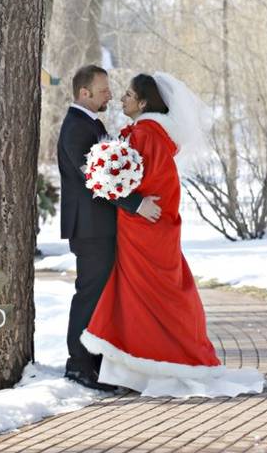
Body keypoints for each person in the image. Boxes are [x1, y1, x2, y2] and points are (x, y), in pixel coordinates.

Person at [80, 72, 267, 397]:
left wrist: (131, 200)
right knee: (135, 298)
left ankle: (160, 367)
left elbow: (154, 186)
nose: (121, 99)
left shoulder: (146, 134)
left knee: (146, 297)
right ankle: (138, 370)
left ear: (142, 102)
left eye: (127, 94)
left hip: (144, 231)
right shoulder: (149, 133)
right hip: (144, 229)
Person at [57, 65, 162, 391]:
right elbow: (96, 178)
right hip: (89, 229)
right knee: (90, 295)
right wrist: (137, 204)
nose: (111, 95)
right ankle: (78, 364)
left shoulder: (90, 123)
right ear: (84, 93)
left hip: (100, 226)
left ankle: (96, 361)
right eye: (104, 91)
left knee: (102, 296)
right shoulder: (76, 127)